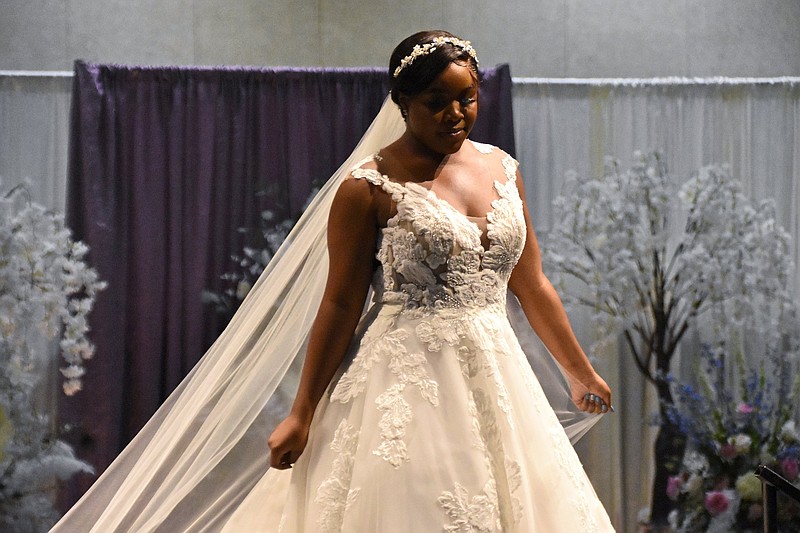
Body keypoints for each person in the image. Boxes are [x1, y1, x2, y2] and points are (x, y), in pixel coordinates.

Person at [52, 30, 614, 532]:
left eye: (466, 98)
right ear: (403, 104)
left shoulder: (503, 168)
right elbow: (341, 305)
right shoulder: (366, 188)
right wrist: (302, 411)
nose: (455, 114)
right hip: (405, 378)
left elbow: (531, 282)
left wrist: (577, 368)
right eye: (435, 102)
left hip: (498, 374)